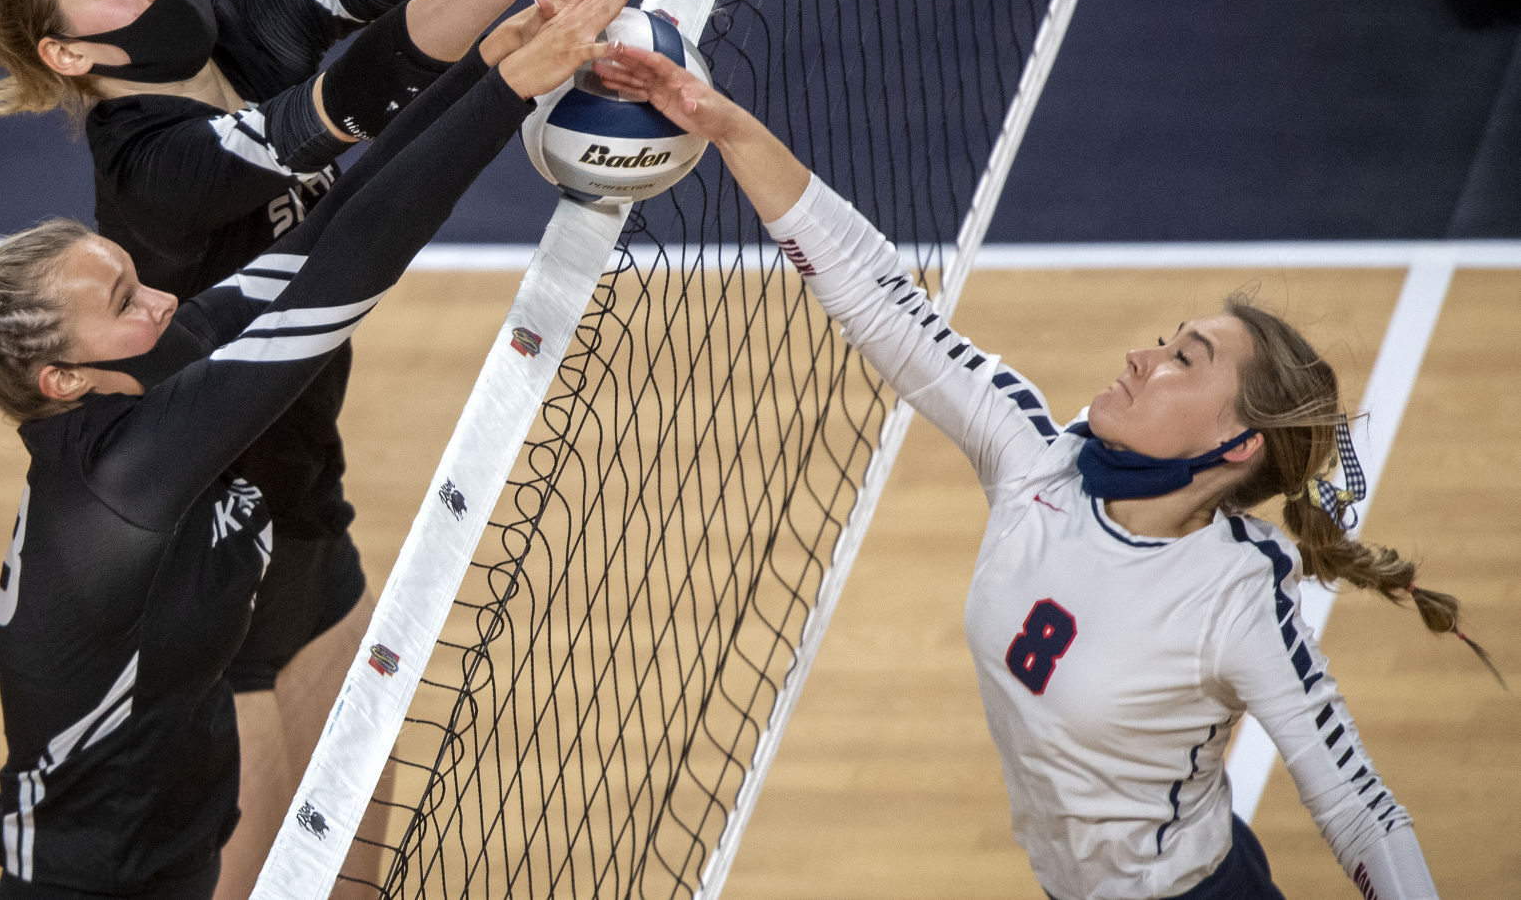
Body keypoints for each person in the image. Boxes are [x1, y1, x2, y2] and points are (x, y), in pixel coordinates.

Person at [0, 0, 745, 895]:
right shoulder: (152, 168)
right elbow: (345, 129)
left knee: (358, 796)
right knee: (259, 853)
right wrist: (519, 8)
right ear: (65, 50)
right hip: (202, 546)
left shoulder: (231, 28)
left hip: (296, 484)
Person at [590, 44, 1492, 900]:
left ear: (1238, 443)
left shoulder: (1237, 594)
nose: (1143, 356)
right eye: (1167, 338)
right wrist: (723, 124)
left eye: (1186, 358)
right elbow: (881, 298)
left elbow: (1360, 810)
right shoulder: (1039, 457)